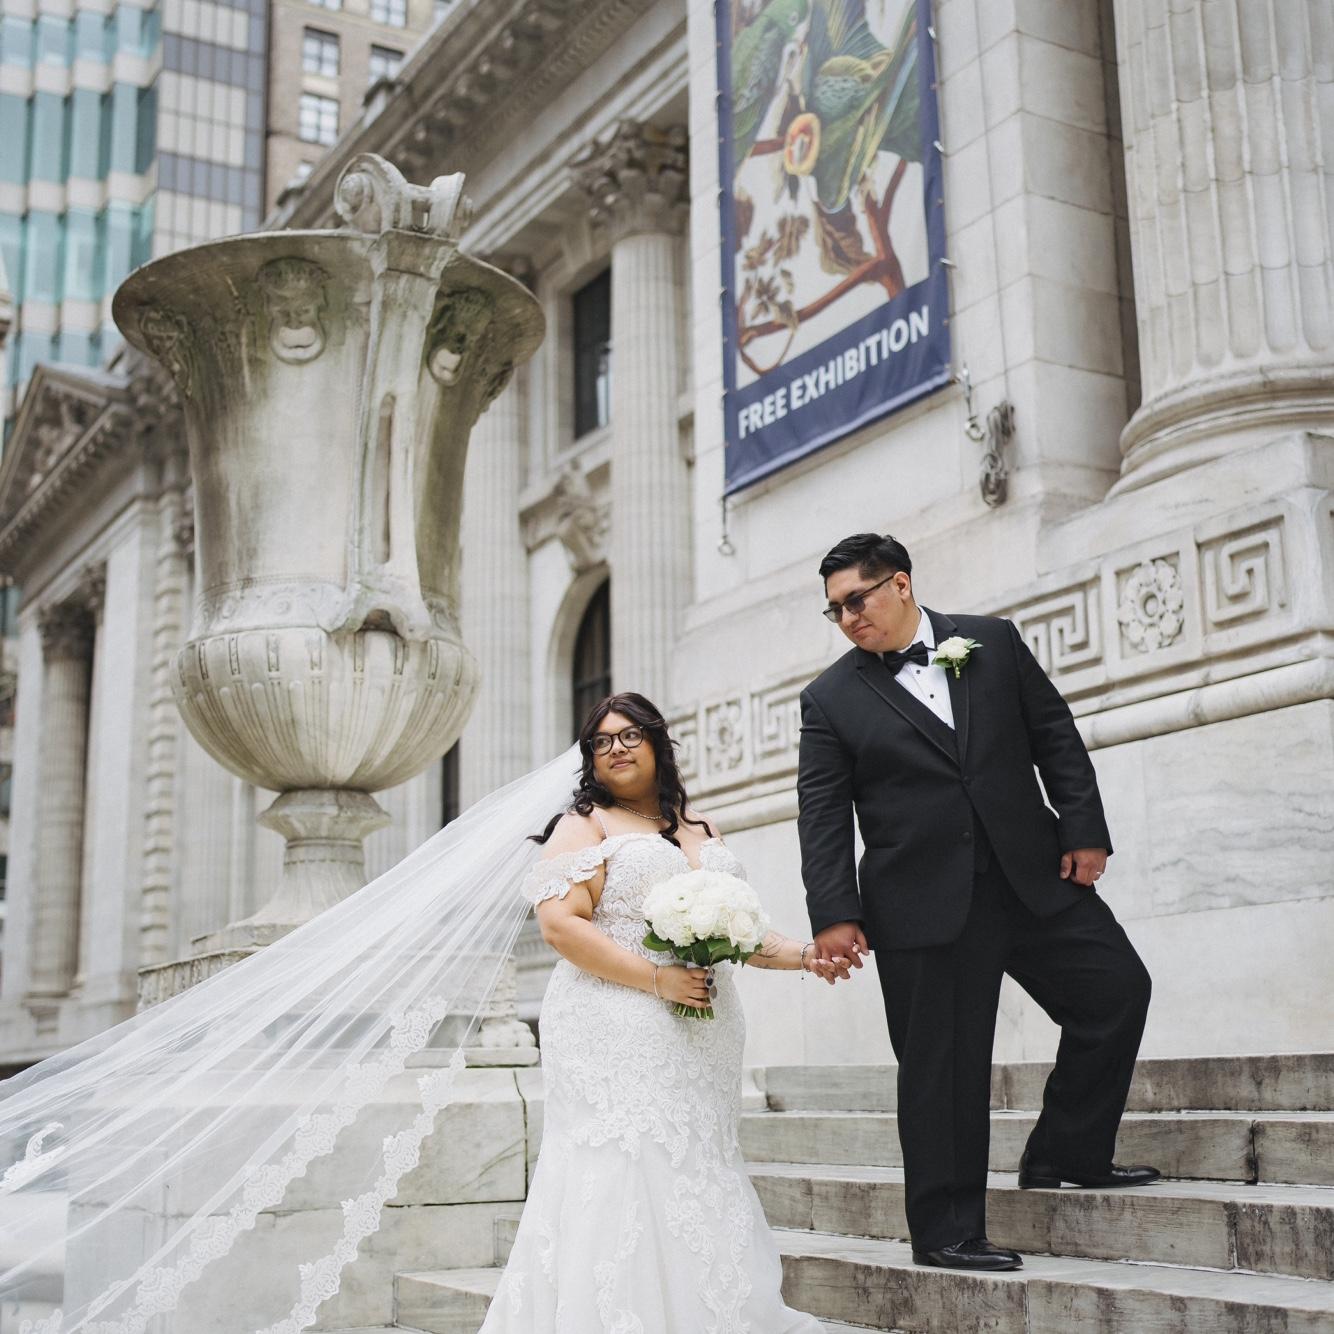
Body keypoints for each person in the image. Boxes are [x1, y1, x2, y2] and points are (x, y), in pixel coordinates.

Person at [797, 532, 1158, 1273]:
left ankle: (1067, 1151)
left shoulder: (992, 641)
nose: (847, 618)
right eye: (835, 610)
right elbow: (823, 815)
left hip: (1033, 876)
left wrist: (1084, 828)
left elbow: (1054, 736)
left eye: (856, 600)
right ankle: (945, 1231)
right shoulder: (828, 699)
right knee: (943, 1068)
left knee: (1117, 990)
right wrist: (835, 913)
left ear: (900, 584)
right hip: (921, 904)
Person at [481, 691, 826, 1333]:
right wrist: (657, 980)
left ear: (658, 742)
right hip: (615, 1022)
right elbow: (560, 926)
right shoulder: (585, 825)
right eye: (601, 741)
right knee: (629, 1165)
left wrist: (808, 955)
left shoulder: (703, 828)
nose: (615, 748)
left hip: (706, 1030)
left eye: (629, 735)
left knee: (697, 1165)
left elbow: (742, 934)